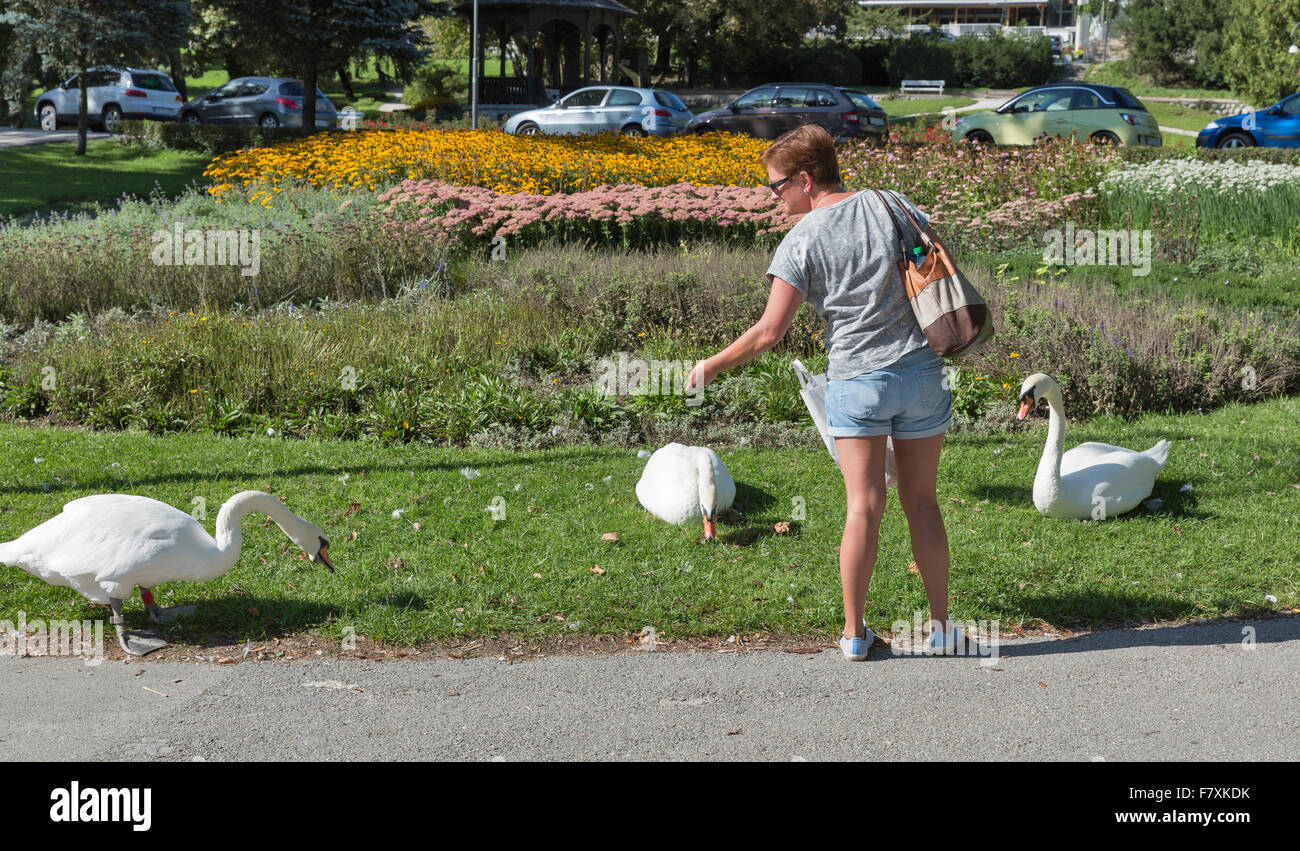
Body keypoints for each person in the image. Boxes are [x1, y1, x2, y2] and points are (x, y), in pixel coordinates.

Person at [685, 124, 959, 661]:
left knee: (864, 507)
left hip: (859, 382)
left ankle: (855, 635)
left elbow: (770, 332)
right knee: (923, 505)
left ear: (805, 180)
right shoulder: (892, 203)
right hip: (924, 374)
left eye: (776, 185)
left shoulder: (802, 240)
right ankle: (943, 629)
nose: (773, 195)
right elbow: (932, 257)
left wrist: (711, 367)